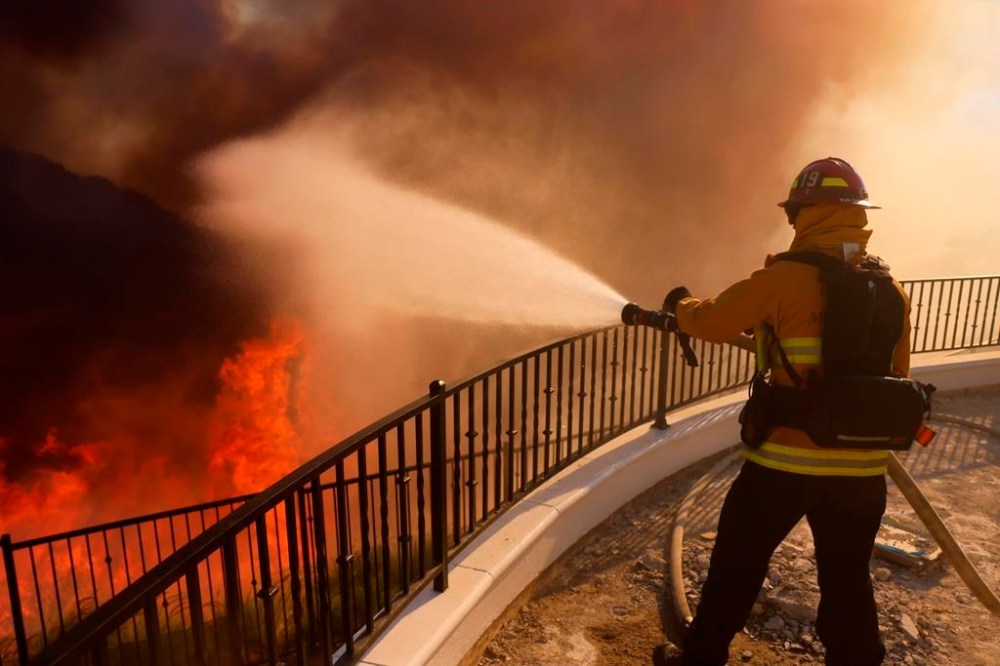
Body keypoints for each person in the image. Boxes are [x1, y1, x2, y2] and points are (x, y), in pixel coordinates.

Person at [665, 157, 911, 666]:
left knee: (737, 566)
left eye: (795, 213)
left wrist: (681, 304)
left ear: (803, 213)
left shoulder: (784, 279)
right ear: (856, 216)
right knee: (846, 579)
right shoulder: (890, 289)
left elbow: (711, 321)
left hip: (784, 463)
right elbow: (899, 374)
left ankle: (700, 660)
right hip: (862, 469)